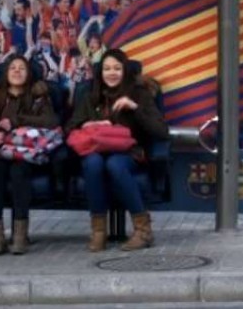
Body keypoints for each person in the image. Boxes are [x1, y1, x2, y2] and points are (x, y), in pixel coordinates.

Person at [66, 49, 169, 252]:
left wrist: (134, 108)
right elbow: (70, 127)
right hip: (95, 149)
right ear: (100, 72)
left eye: (116, 68)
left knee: (114, 164)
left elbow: (161, 131)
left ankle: (143, 231)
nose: (111, 73)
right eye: (107, 69)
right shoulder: (90, 95)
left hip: (128, 152)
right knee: (93, 163)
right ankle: (98, 231)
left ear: (125, 71)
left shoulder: (139, 93)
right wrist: (89, 124)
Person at [0, 56, 59, 255]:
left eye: (22, 68)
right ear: (6, 73)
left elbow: (50, 121)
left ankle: (20, 236)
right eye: (13, 68)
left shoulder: (38, 95)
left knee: (19, 170)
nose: (17, 71)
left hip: (25, 154)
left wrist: (16, 120)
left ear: (29, 73)